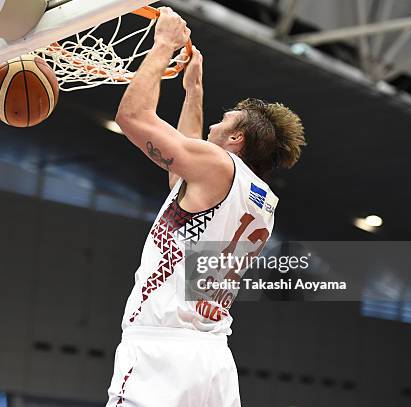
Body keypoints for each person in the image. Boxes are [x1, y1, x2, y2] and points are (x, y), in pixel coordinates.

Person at [106, 7, 306, 406]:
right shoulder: (260, 198)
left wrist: (162, 42)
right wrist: (192, 92)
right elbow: (180, 179)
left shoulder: (219, 167)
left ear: (236, 142)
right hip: (212, 359)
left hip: (162, 352)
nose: (212, 127)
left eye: (222, 121)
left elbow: (132, 117)